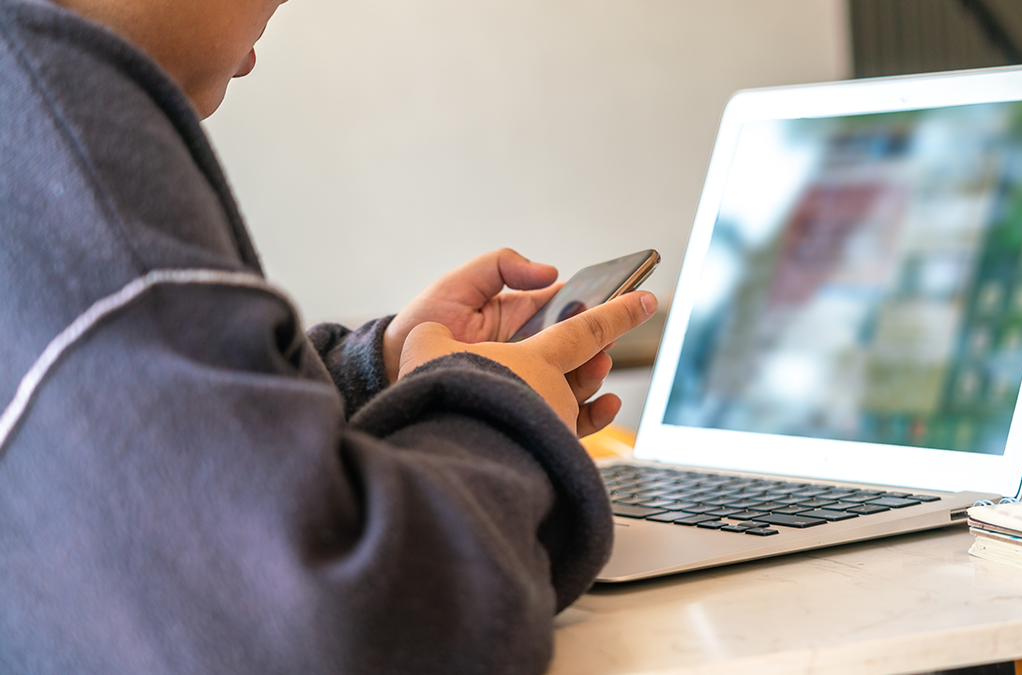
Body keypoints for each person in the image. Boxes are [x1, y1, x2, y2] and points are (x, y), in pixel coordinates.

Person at [0, 0, 656, 672]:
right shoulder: (63, 142)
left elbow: (153, 464)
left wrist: (380, 371)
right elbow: (348, 626)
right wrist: (504, 414)